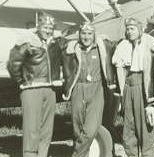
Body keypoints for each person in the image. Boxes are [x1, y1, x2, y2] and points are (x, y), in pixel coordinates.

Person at [7, 12, 65, 157]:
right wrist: (22, 81)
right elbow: (13, 64)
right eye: (45, 27)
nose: (48, 30)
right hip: (31, 89)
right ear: (38, 27)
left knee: (47, 129)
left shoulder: (55, 43)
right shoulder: (27, 42)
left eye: (50, 28)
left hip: (50, 89)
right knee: (31, 128)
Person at [112, 18, 154, 157]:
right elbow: (118, 73)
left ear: (140, 29)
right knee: (128, 130)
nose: (129, 31)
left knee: (146, 129)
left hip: (143, 89)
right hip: (127, 88)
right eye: (128, 28)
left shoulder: (152, 46)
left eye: (133, 28)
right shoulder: (122, 47)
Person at [62, 22, 116, 157]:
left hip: (97, 89)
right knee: (77, 128)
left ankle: (77, 155)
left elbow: (123, 46)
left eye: (89, 34)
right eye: (83, 34)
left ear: (94, 35)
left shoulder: (103, 47)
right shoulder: (72, 49)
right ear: (79, 35)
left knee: (91, 128)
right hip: (78, 88)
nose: (86, 37)